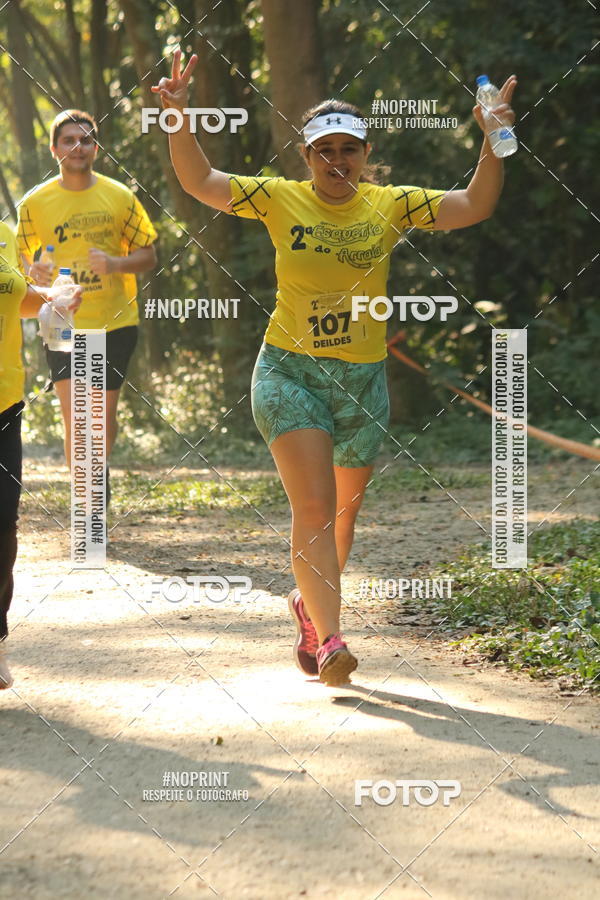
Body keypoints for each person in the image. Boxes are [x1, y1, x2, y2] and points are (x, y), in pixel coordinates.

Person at [153, 50, 516, 686]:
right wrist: (179, 120)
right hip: (290, 373)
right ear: (307, 157)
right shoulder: (279, 199)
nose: (338, 161)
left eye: (349, 149)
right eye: (325, 151)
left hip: (363, 380)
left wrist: (491, 143)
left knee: (342, 519)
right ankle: (332, 642)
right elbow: (199, 183)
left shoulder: (391, 204)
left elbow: (476, 206)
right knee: (315, 509)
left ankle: (307, 606)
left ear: (365, 154)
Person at [17, 110, 158, 503]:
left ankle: (98, 469)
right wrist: (36, 272)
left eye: (86, 140)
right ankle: (89, 505)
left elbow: (148, 255)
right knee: (76, 417)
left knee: (101, 416)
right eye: (69, 140)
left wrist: (115, 264)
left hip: (115, 322)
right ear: (54, 149)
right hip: (63, 323)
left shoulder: (120, 196)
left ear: (96, 148)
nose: (78, 147)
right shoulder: (34, 203)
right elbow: (22, 263)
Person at [0, 222, 82, 689]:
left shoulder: (4, 233)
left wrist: (54, 297)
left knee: (1, 519)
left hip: (4, 400)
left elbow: (15, 296)